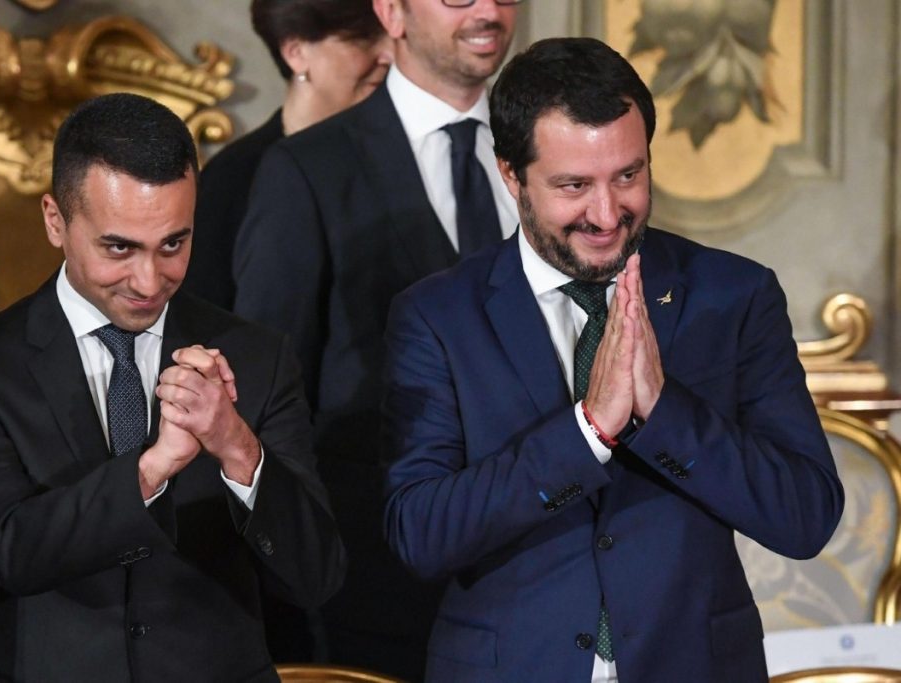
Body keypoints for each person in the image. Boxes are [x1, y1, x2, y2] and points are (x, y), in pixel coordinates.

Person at [381, 37, 845, 682]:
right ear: (511, 174)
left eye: (628, 175)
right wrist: (586, 432)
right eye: (574, 185)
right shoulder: (438, 316)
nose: (607, 214)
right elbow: (421, 533)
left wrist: (665, 412)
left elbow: (805, 516)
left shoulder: (734, 296)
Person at [0, 93, 346, 682]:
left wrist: (238, 449)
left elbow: (316, 576)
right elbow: (11, 551)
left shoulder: (258, 355)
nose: (150, 281)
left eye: (174, 243)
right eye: (119, 247)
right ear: (55, 220)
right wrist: (153, 468)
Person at [233, 0, 524, 677]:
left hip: (535, 581)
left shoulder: (543, 151)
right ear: (391, 11)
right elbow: (268, 399)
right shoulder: (305, 170)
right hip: (372, 596)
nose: (488, 10)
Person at [183, 0, 392, 310]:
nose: (388, 54)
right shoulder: (234, 177)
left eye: (393, 37)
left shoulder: (402, 156)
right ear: (296, 52)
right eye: (361, 38)